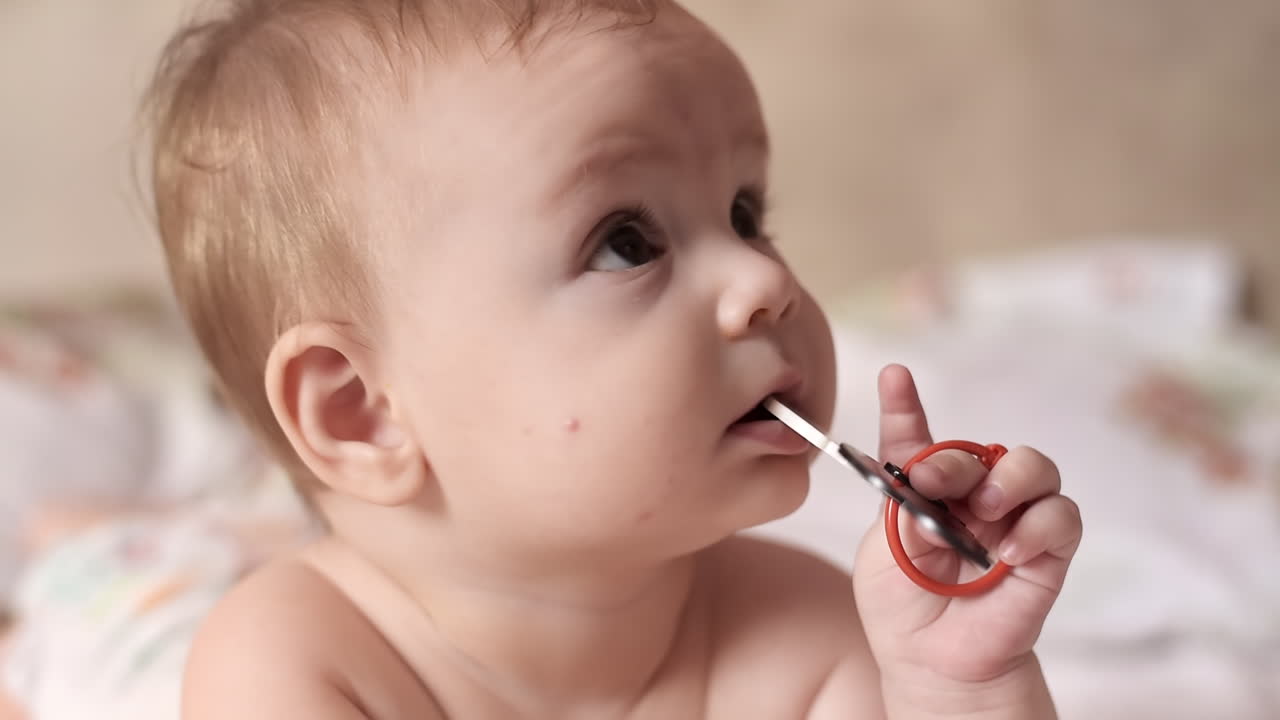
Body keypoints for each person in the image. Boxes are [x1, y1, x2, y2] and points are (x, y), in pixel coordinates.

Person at [143, 1, 1083, 717]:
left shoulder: (805, 635)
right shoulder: (296, 662)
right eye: (626, 241)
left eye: (746, 213)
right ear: (364, 413)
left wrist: (960, 681)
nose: (763, 280)